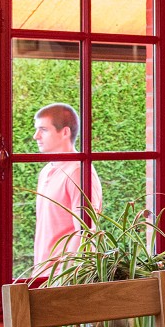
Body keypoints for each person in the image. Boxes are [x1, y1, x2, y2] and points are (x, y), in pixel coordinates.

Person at [31, 103, 103, 281]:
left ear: (65, 132)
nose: (35, 136)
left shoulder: (78, 172)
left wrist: (63, 277)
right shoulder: (46, 171)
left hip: (64, 279)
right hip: (43, 276)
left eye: (43, 130)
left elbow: (85, 233)